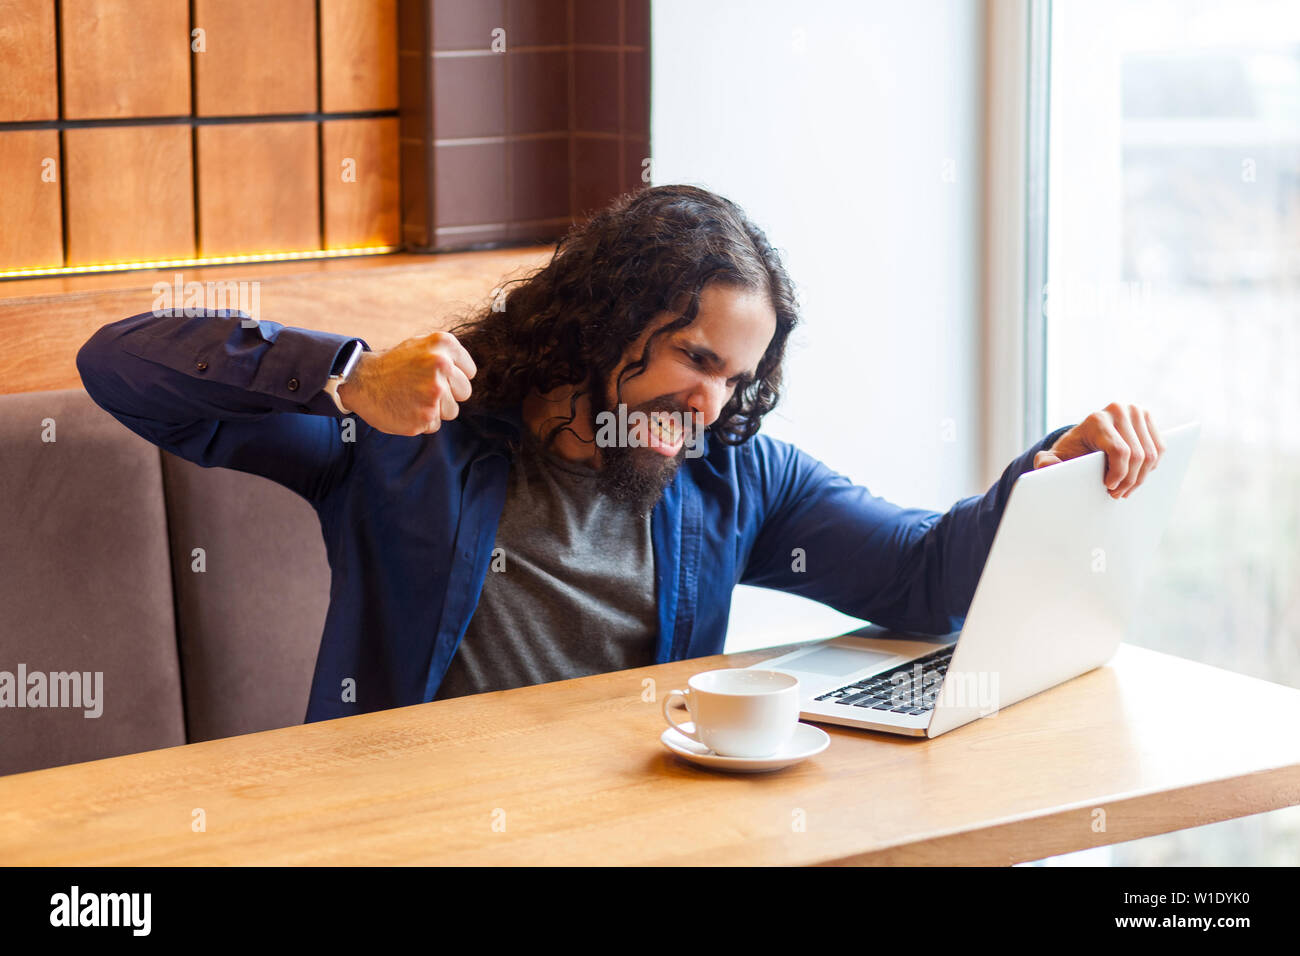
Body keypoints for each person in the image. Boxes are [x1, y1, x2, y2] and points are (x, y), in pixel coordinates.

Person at [76, 184, 1165, 722]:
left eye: (737, 376)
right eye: (693, 358)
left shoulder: (735, 475)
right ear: (601, 321)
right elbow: (121, 365)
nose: (711, 402)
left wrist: (1051, 470)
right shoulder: (407, 436)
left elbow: (923, 579)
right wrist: (347, 373)